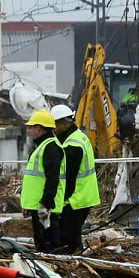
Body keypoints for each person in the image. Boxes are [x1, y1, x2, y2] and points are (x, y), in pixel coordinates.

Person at [51, 103, 100, 253]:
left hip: (75, 199)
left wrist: (60, 202)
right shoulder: (80, 137)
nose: (53, 129)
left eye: (55, 125)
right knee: (72, 236)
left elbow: (69, 178)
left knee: (66, 240)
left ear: (64, 124)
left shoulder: (72, 145)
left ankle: (71, 264)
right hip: (85, 196)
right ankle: (76, 258)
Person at [19, 109, 63, 252]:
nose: (29, 131)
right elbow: (35, 180)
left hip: (45, 208)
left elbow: (52, 179)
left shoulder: (51, 148)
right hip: (39, 206)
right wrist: (27, 204)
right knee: (42, 245)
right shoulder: (43, 146)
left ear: (39, 128)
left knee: (47, 247)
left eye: (31, 127)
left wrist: (45, 205)